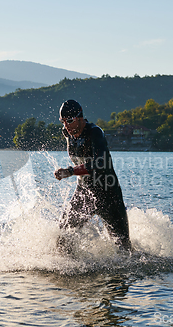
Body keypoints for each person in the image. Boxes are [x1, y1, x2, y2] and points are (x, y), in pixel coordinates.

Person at [54, 99, 131, 251]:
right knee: (63, 233)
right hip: (85, 192)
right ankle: (69, 268)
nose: (66, 126)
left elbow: (99, 162)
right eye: (63, 121)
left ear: (80, 117)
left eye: (70, 120)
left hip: (108, 193)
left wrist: (70, 171)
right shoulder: (67, 134)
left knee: (124, 249)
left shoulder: (95, 132)